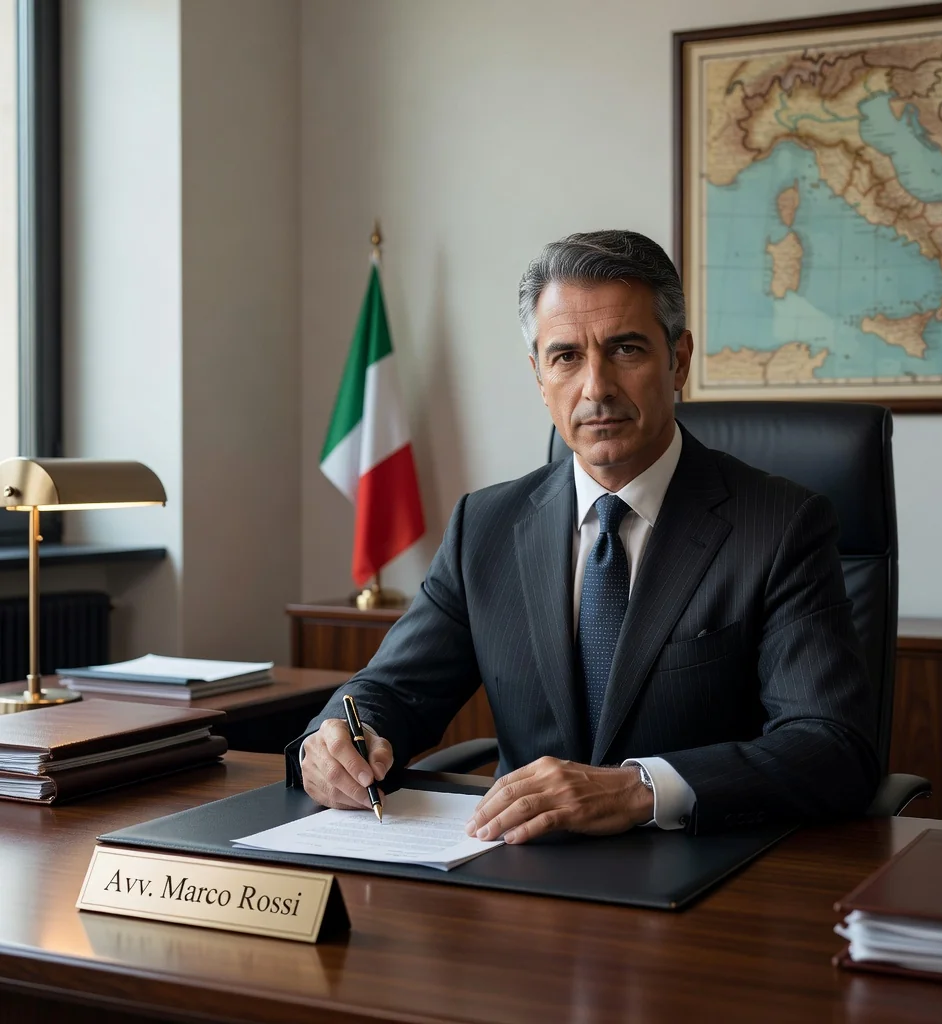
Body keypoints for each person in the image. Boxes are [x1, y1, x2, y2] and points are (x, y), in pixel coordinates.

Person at [287, 229, 880, 842]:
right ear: (540, 376)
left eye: (625, 349)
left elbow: (832, 747)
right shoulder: (483, 528)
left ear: (678, 360)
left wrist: (637, 789)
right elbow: (389, 692)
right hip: (518, 874)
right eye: (566, 356)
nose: (596, 387)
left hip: (700, 876)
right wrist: (334, 742)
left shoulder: (780, 525)